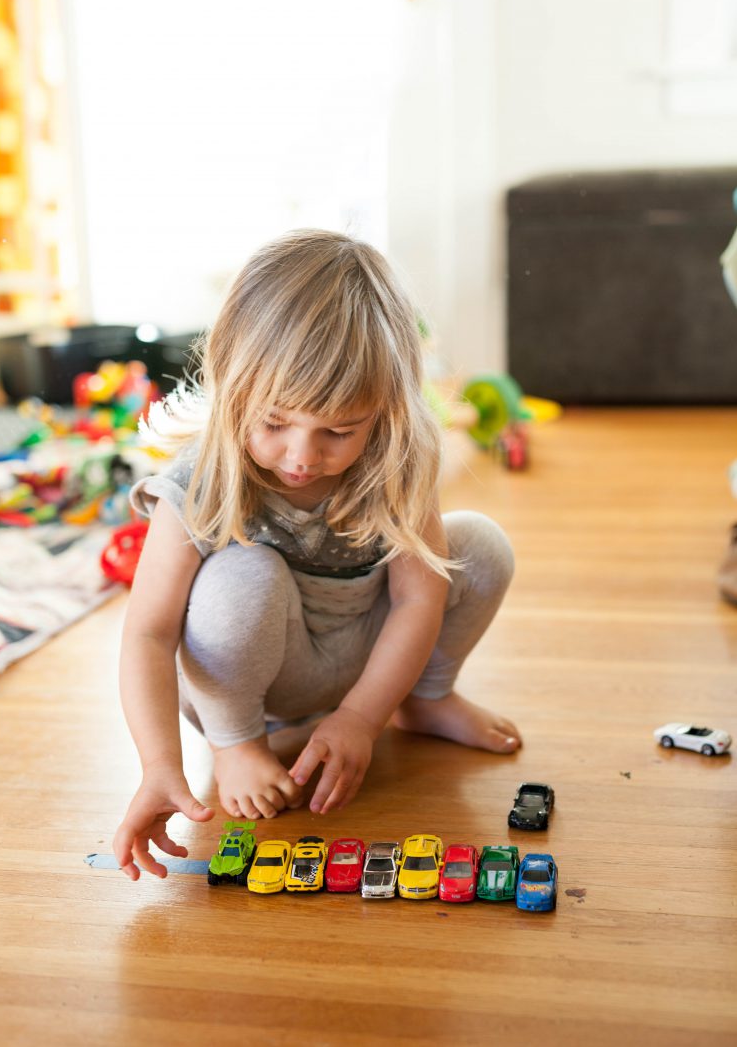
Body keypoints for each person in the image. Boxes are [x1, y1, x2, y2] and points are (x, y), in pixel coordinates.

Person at [112, 229, 520, 881]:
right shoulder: (202, 478)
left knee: (479, 547)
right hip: (244, 680)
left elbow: (419, 597)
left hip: (358, 653)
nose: (303, 454)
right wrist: (163, 763)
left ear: (385, 411)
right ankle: (240, 741)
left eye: (338, 430)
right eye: (274, 422)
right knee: (244, 574)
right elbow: (148, 632)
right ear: (231, 385)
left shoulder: (396, 462)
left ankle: (424, 696)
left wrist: (363, 717)